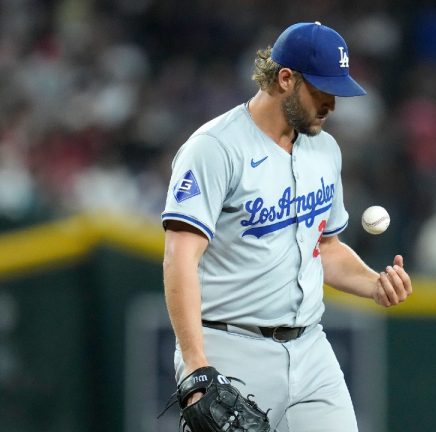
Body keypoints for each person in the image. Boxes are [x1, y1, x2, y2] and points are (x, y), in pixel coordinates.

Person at [161, 21, 412, 431]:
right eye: (322, 90)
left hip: (312, 351)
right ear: (285, 79)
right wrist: (194, 364)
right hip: (230, 348)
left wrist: (373, 283)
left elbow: (324, 247)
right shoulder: (215, 147)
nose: (332, 102)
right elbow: (180, 257)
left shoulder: (325, 150)